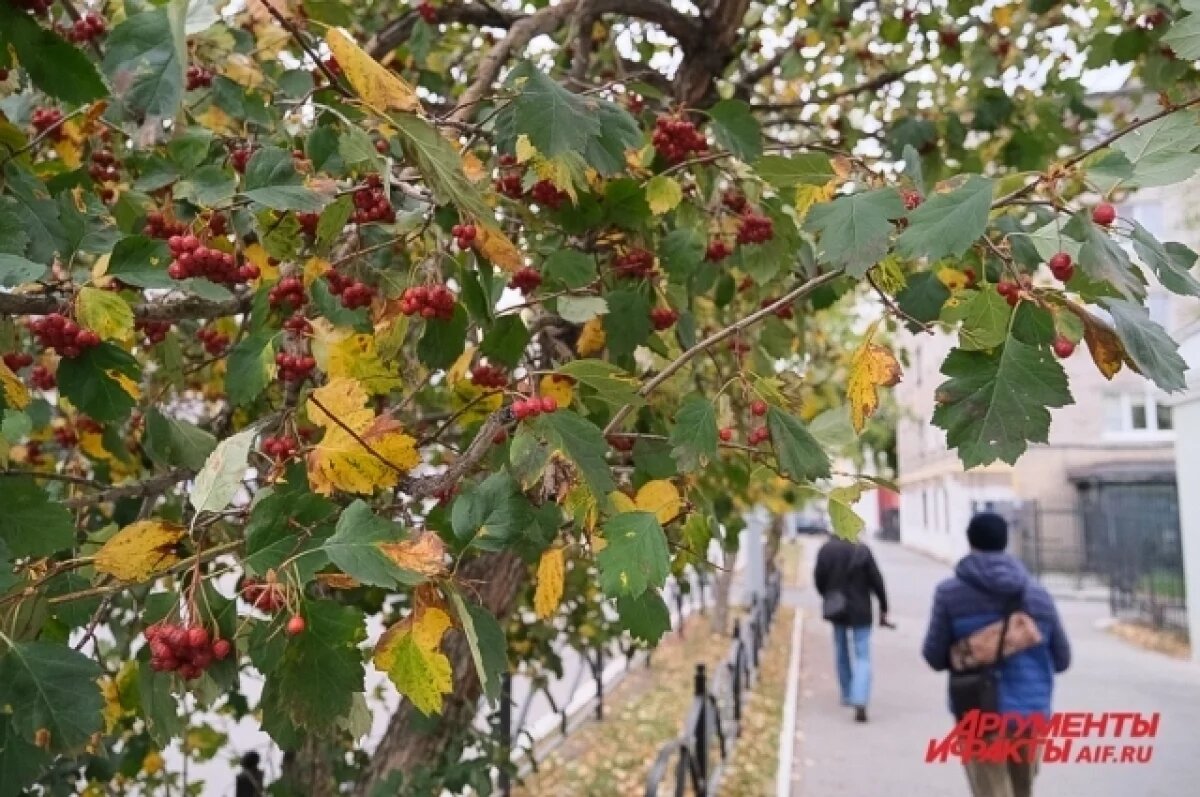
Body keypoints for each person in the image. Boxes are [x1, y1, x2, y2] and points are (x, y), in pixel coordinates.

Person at [922, 512, 1071, 797]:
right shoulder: (1038, 595)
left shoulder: (950, 594)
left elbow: (933, 656)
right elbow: (1062, 659)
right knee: (1022, 791)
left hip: (978, 712)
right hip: (1030, 715)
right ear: (1006, 541)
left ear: (970, 541)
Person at [813, 534, 889, 722]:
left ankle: (847, 693)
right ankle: (860, 697)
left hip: (837, 608)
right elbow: (876, 580)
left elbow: (819, 578)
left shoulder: (826, 550)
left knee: (841, 648)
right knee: (863, 655)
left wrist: (828, 595)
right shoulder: (862, 549)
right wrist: (883, 606)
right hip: (861, 609)